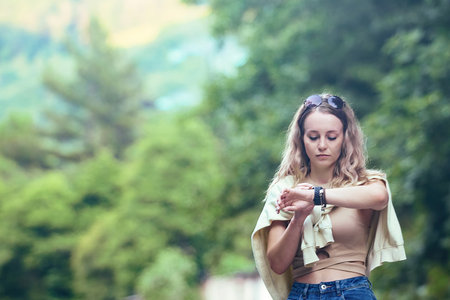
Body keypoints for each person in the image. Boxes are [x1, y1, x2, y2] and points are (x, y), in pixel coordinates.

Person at [251, 94, 406, 300]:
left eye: (331, 137)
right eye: (313, 137)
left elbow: (380, 198)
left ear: (345, 138)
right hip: (302, 294)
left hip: (352, 291)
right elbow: (277, 264)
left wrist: (316, 196)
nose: (322, 145)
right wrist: (298, 218)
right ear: (301, 139)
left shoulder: (365, 182)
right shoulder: (286, 189)